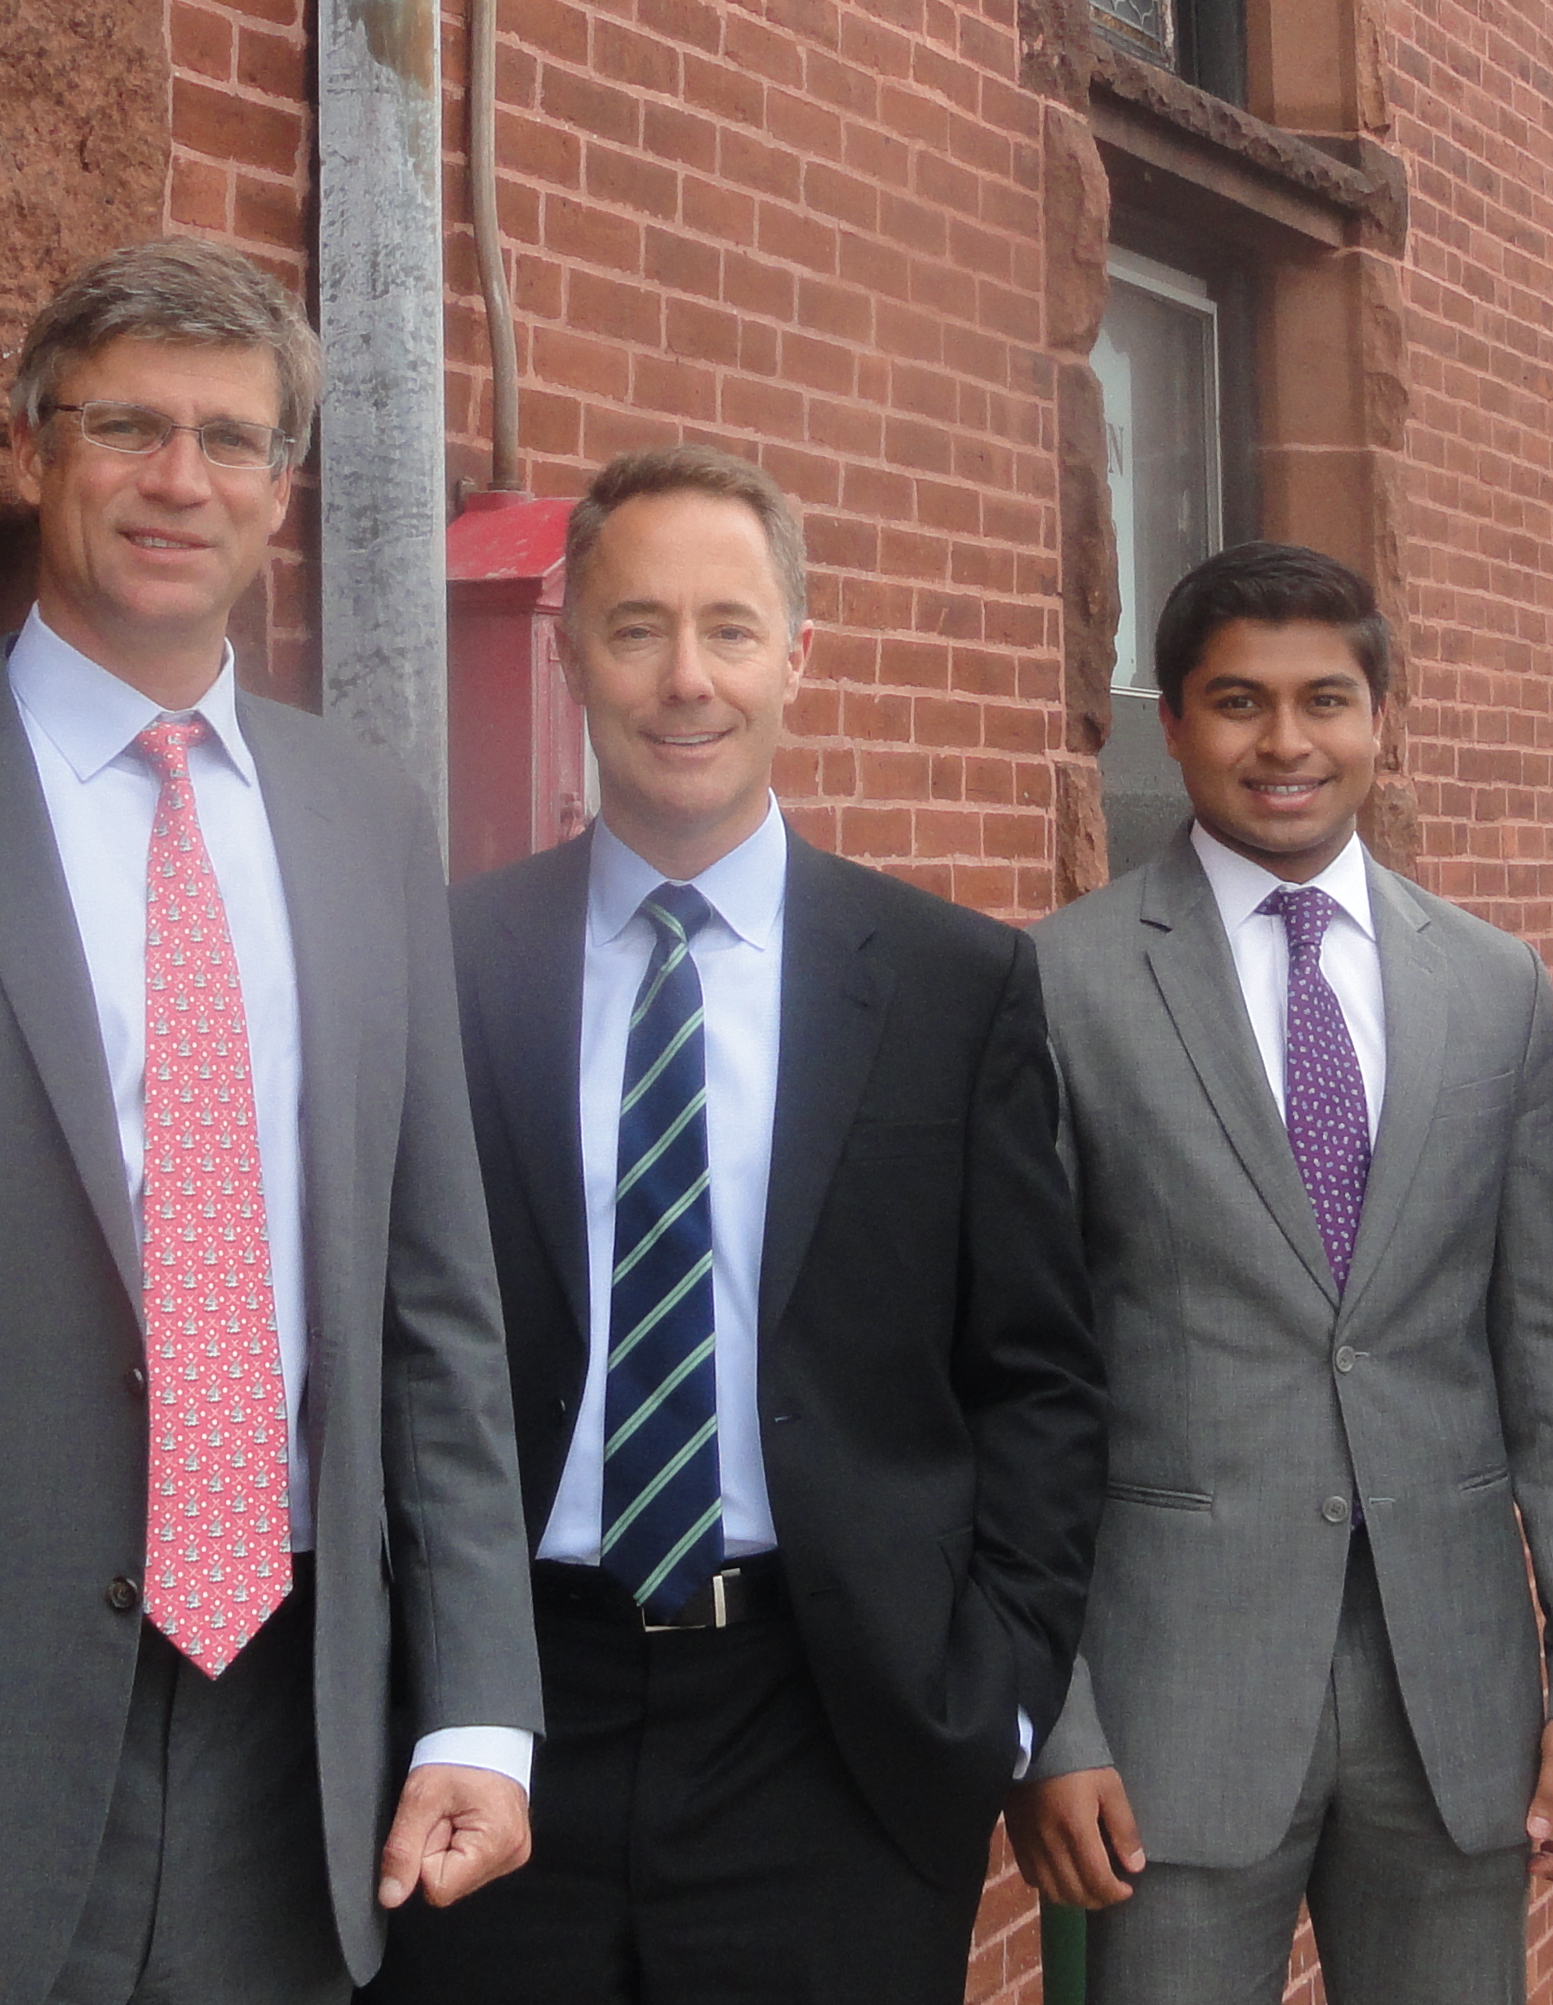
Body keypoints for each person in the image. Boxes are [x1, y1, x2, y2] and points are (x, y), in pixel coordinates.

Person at [0, 239, 542, 2005]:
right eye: (124, 424)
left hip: (302, 1741)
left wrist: (482, 1703)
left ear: (281, 491)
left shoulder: (367, 821)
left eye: (229, 439)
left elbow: (434, 1310)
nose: (176, 479)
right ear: (29, 453)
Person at [374, 446, 1106, 2005]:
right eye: (636, 628)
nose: (684, 679)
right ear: (572, 652)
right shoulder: (445, 966)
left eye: (728, 627)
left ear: (798, 657)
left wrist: (998, 1694)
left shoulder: (954, 985)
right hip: (501, 1713)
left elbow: (1037, 1372)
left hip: (833, 1726)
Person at [1007, 542, 1553, 2005]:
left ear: (1383, 716)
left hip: (1457, 1698)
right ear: (1167, 723)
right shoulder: (1060, 982)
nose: (1285, 743)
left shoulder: (1487, 986)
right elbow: (1022, 1382)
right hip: (1171, 1707)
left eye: (1326, 700)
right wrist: (1058, 1715)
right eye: (1238, 702)